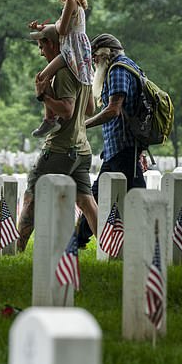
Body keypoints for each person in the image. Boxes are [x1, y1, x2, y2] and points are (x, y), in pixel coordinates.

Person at [17, 25, 97, 252]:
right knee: (87, 203)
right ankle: (110, 250)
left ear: (52, 44)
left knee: (32, 193)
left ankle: (16, 248)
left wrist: (43, 96)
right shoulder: (82, 71)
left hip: (60, 149)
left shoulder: (62, 73)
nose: (41, 52)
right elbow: (89, 108)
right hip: (81, 150)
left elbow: (67, 110)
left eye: (42, 46)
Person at [75, 33, 146, 247]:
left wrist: (83, 124)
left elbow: (113, 110)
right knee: (110, 196)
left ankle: (77, 240)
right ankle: (78, 239)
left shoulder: (117, 70)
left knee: (98, 197)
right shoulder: (128, 66)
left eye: (95, 57)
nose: (94, 62)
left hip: (122, 147)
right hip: (121, 148)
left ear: (105, 53)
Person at [28, 0, 93, 138]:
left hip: (71, 52)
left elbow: (62, 30)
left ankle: (49, 119)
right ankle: (53, 117)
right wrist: (42, 27)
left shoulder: (70, 2)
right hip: (77, 51)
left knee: (42, 76)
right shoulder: (77, 6)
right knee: (47, 77)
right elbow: (61, 27)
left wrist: (53, 25)